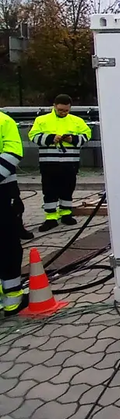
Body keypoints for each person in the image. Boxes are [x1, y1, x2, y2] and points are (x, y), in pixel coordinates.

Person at [28, 95, 92, 232]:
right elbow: (33, 136)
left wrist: (72, 139)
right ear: (54, 106)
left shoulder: (77, 121)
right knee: (49, 190)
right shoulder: (42, 120)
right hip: (48, 163)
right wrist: (51, 138)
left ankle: (66, 214)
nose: (63, 112)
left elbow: (87, 135)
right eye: (61, 110)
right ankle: (51, 217)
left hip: (70, 163)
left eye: (66, 110)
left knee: (67, 188)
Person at [0, 109, 27, 316]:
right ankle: (12, 298)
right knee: (7, 244)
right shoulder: (3, 120)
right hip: (3, 192)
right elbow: (13, 153)